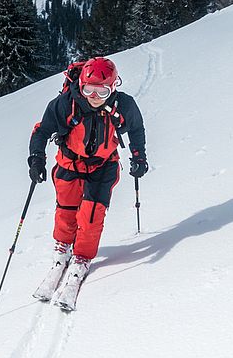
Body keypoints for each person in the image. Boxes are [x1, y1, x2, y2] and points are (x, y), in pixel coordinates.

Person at [27, 57, 147, 302]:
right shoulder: (65, 104)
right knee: (66, 210)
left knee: (92, 215)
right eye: (88, 90)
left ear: (113, 87)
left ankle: (82, 256)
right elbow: (42, 130)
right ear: (80, 85)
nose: (94, 96)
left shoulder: (123, 105)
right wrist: (36, 158)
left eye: (102, 91)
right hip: (69, 162)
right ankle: (62, 247)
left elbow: (136, 129)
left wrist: (139, 156)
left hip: (103, 166)